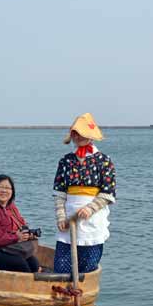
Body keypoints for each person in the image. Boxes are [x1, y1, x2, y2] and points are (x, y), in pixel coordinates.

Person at [53, 113, 116, 273]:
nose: (79, 137)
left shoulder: (104, 160)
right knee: (61, 266)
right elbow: (59, 192)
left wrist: (91, 208)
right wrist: (61, 216)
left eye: (83, 133)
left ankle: (82, 293)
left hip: (93, 218)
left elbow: (108, 192)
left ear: (91, 135)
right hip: (69, 219)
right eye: (76, 133)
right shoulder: (66, 161)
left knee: (88, 265)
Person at [0, 174, 40, 273]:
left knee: (34, 264)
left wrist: (28, 234)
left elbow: (21, 225)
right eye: (0, 187)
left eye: (8, 188)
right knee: (20, 264)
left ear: (12, 192)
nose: (4, 191)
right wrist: (16, 237)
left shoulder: (12, 207)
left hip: (9, 248)